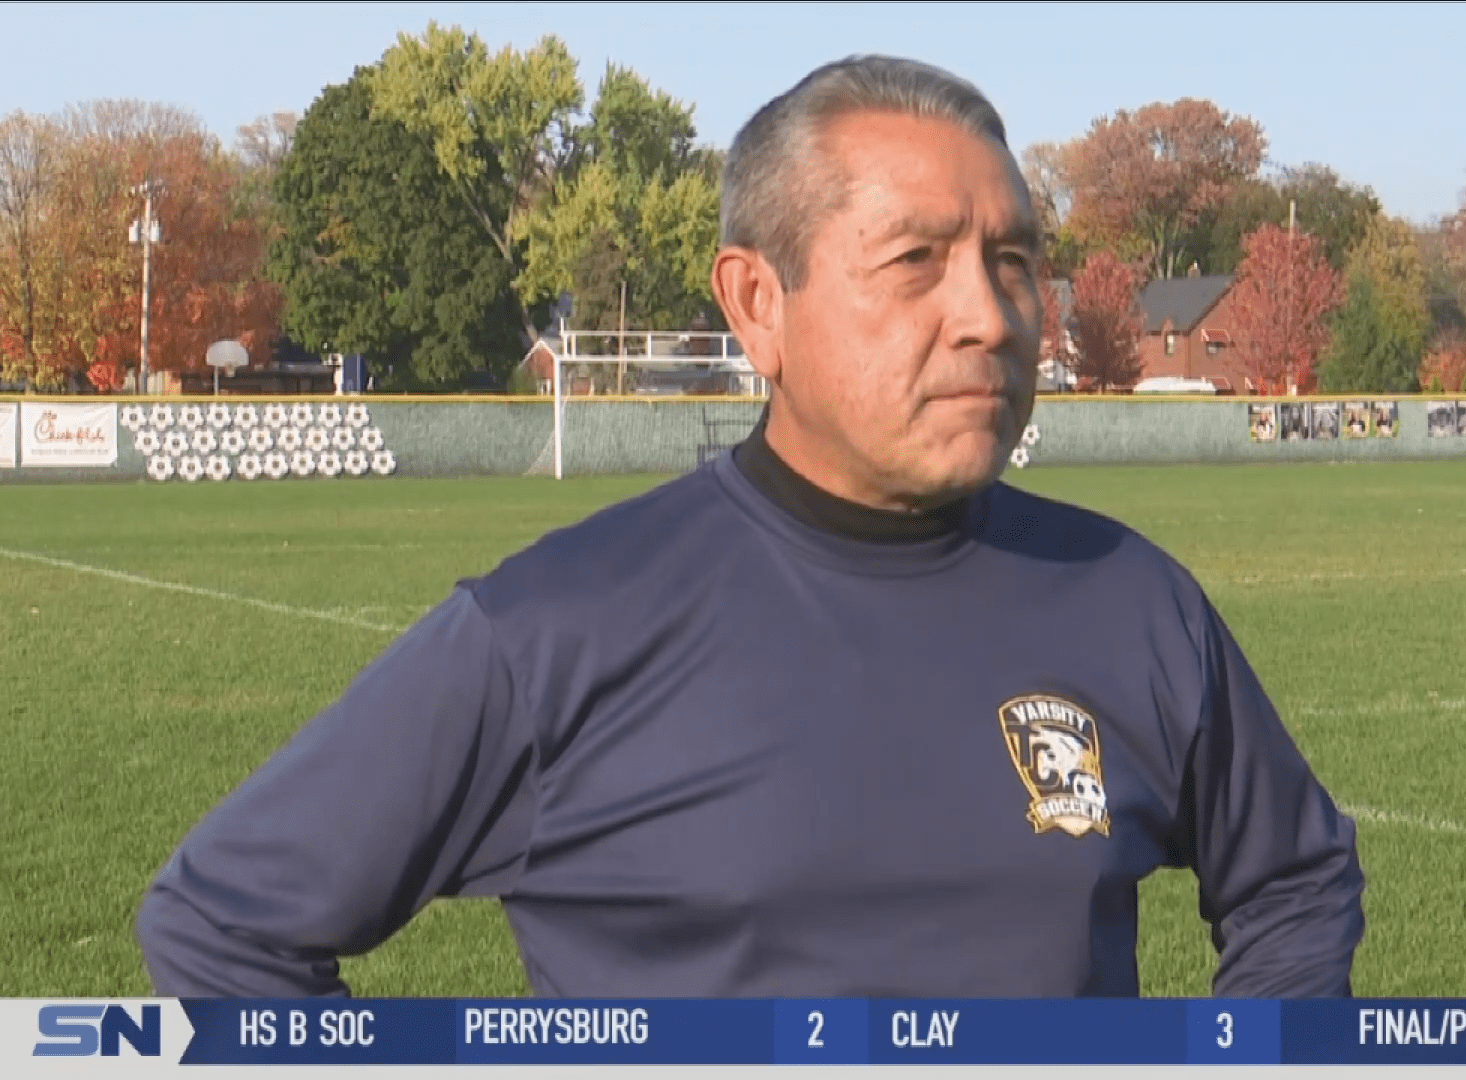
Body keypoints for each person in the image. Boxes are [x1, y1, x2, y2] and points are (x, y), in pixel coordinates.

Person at [136, 56, 1364, 1000]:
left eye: (1013, 260)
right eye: (916, 262)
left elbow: (1295, 885)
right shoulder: (554, 630)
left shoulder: (1131, 602)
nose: (991, 316)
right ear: (757, 304)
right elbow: (225, 923)